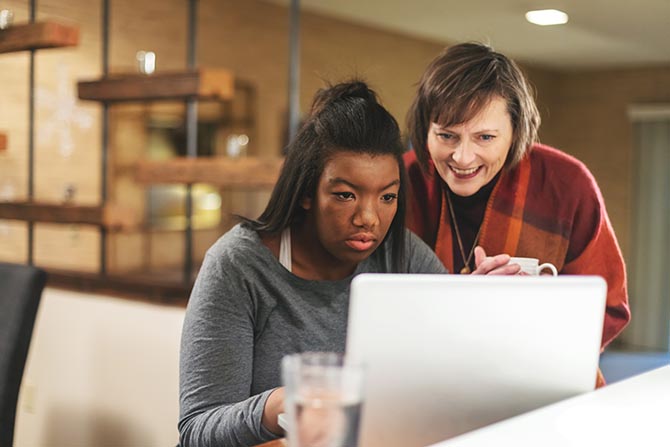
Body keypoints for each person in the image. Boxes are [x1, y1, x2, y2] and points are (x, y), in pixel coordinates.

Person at [178, 81, 454, 447]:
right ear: (307, 192)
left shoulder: (403, 257)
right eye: (345, 195)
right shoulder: (238, 266)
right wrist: (284, 402)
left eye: (387, 196)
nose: (368, 218)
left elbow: (455, 372)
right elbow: (198, 430)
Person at [404, 42, 631, 383]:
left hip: (541, 383)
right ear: (425, 131)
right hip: (424, 380)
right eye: (447, 136)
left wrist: (524, 313)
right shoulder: (399, 183)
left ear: (516, 133)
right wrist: (459, 307)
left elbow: (608, 307)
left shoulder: (566, 184)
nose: (462, 158)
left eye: (485, 137)